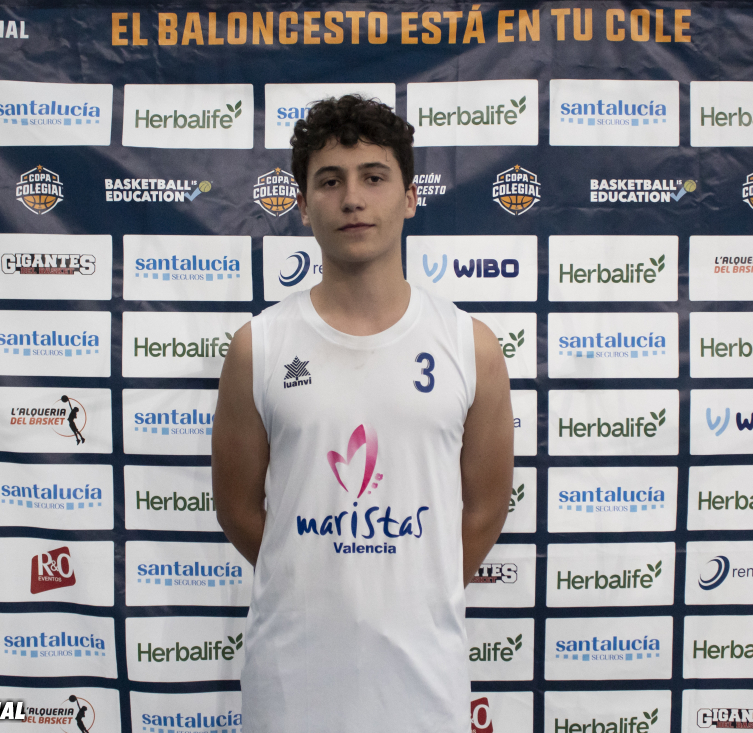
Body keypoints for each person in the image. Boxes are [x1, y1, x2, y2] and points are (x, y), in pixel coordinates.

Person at [211, 95, 514, 733]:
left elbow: (486, 509)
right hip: (291, 682)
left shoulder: (470, 346)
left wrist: (413, 587)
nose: (353, 199)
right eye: (330, 181)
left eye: (374, 177)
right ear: (303, 205)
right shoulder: (259, 346)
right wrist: (313, 575)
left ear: (410, 197)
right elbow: (237, 509)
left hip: (422, 685)